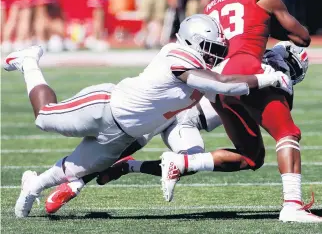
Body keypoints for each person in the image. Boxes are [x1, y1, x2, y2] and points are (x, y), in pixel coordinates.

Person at [3, 14, 291, 218]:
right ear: (191, 42)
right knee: (44, 116)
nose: (214, 55)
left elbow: (226, 83)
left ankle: (32, 186)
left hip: (123, 134)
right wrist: (268, 79)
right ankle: (29, 61)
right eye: (210, 49)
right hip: (104, 107)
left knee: (72, 171)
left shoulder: (200, 64)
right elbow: (221, 83)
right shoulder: (178, 55)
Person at [162, 0, 320, 223]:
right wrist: (269, 25)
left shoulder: (210, 6)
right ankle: (292, 205)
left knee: (251, 156)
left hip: (217, 82)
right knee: (287, 133)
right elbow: (301, 37)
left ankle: (183, 162)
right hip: (247, 68)